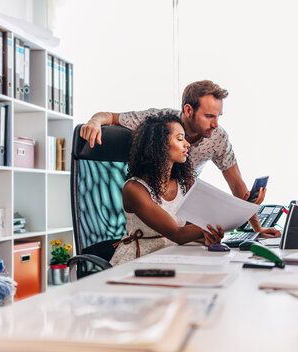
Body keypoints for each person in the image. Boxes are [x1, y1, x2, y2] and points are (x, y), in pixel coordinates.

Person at [81, 80, 281, 238]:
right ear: (188, 110)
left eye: (219, 116)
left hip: (181, 203)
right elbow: (110, 117)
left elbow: (237, 185)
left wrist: (257, 228)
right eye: (209, 116)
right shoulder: (161, 123)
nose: (215, 124)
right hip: (152, 206)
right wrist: (94, 122)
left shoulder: (216, 139)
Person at [110, 113, 225, 266]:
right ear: (160, 145)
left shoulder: (185, 182)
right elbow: (177, 234)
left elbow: (190, 228)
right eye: (179, 139)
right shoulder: (134, 189)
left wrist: (206, 235)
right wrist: (220, 222)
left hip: (172, 257)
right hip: (138, 261)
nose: (187, 144)